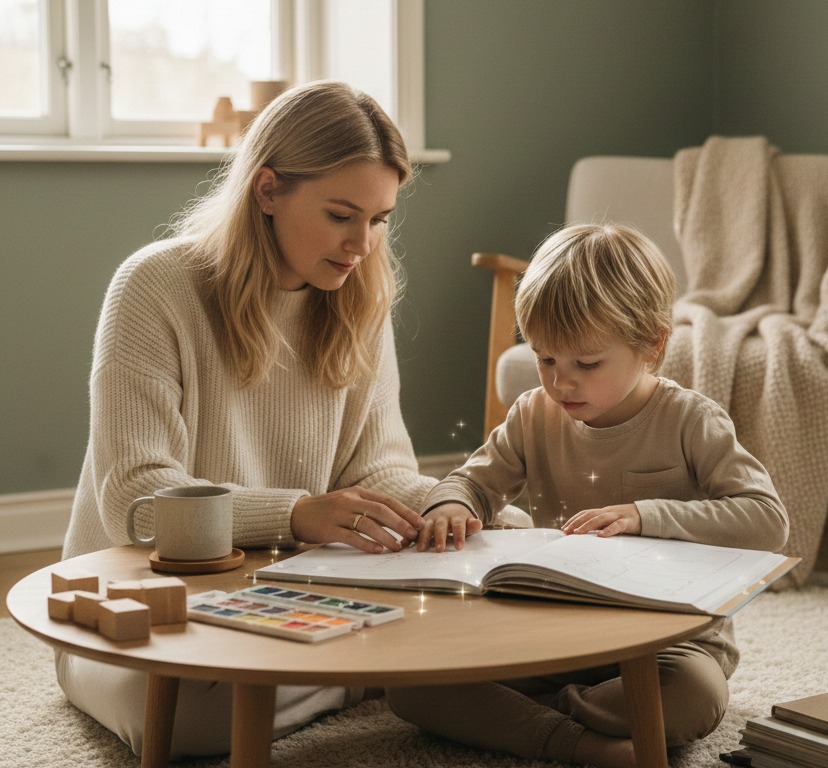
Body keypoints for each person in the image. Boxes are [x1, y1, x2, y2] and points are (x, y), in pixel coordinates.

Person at [57, 80, 437, 758]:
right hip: (136, 601)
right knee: (177, 716)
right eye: (342, 215)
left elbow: (380, 467)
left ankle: (348, 672)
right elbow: (138, 503)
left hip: (287, 599)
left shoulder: (359, 299)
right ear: (267, 191)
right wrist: (298, 514)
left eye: (379, 220)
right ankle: (365, 679)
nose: (362, 246)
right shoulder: (154, 288)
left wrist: (450, 503)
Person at [386, 223, 789, 768]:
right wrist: (451, 505)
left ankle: (526, 720)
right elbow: (472, 480)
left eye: (587, 363)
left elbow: (766, 521)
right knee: (409, 685)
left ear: (652, 344)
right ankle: (580, 742)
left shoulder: (692, 420)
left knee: (692, 697)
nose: (562, 383)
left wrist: (645, 516)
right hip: (555, 632)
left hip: (669, 646)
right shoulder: (533, 414)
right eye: (546, 360)